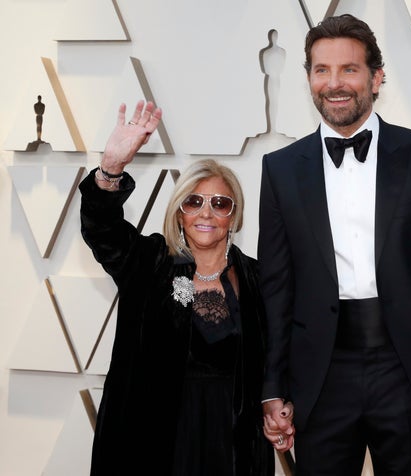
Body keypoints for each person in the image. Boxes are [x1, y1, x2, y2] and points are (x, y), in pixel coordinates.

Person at [257, 13, 411, 476]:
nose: (334, 83)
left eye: (349, 69)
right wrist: (272, 386)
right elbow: (276, 287)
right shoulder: (279, 169)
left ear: (376, 78)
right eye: (321, 70)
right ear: (308, 79)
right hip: (320, 374)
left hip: (408, 370)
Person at [79, 100, 274, 475]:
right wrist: (112, 166)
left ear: (234, 216)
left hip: (232, 448)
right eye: (193, 201)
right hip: (154, 444)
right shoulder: (152, 264)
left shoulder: (256, 279)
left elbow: (280, 358)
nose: (206, 212)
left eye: (220, 203)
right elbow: (102, 229)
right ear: (179, 212)